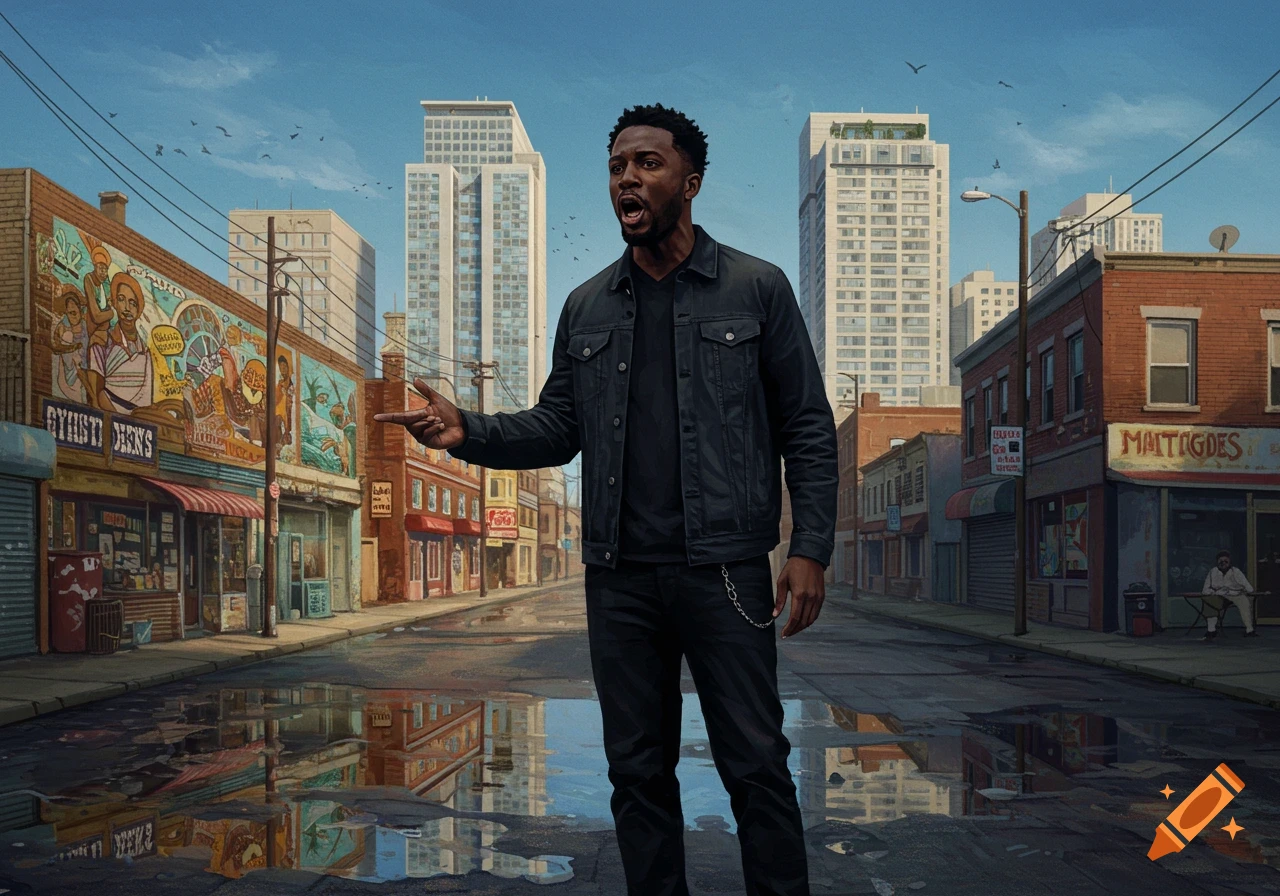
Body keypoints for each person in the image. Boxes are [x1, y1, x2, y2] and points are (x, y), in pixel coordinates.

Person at [376, 103, 836, 896]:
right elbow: (558, 428)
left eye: (648, 164)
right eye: (619, 164)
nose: (628, 177)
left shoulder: (758, 289)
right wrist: (469, 429)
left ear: (689, 183)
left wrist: (809, 548)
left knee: (756, 766)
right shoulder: (587, 306)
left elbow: (808, 426)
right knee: (637, 776)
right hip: (619, 579)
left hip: (726, 571)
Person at [85, 272, 153, 413]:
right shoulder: (101, 340)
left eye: (132, 303)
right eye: (121, 299)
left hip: (141, 421)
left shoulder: (145, 351)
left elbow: (147, 396)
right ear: (114, 303)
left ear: (139, 309)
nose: (127, 307)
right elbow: (96, 394)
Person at [1202, 549, 1257, 640]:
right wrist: (1213, 592)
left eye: (1226, 561)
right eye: (1221, 561)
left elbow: (1249, 588)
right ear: (1217, 562)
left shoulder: (1236, 572)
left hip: (1236, 594)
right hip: (1219, 595)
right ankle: (1211, 630)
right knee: (1209, 602)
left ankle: (1249, 630)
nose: (1223, 563)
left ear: (1230, 562)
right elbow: (1205, 590)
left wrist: (1241, 589)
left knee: (1244, 603)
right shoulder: (1213, 572)